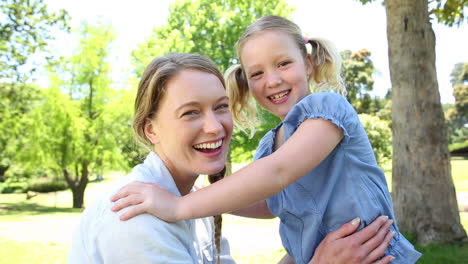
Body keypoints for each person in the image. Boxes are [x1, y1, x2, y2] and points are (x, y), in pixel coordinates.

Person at [111, 16, 422, 264]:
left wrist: (179, 206)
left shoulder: (327, 111)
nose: (272, 80)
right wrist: (208, 195)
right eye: (257, 73)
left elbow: (278, 174)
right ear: (247, 82)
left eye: (283, 63)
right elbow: (269, 202)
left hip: (374, 253)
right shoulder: (269, 146)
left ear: (308, 63)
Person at [69, 52, 394, 264]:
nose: (215, 127)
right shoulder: (135, 217)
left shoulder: (196, 203)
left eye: (221, 107)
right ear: (151, 129)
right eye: (191, 113)